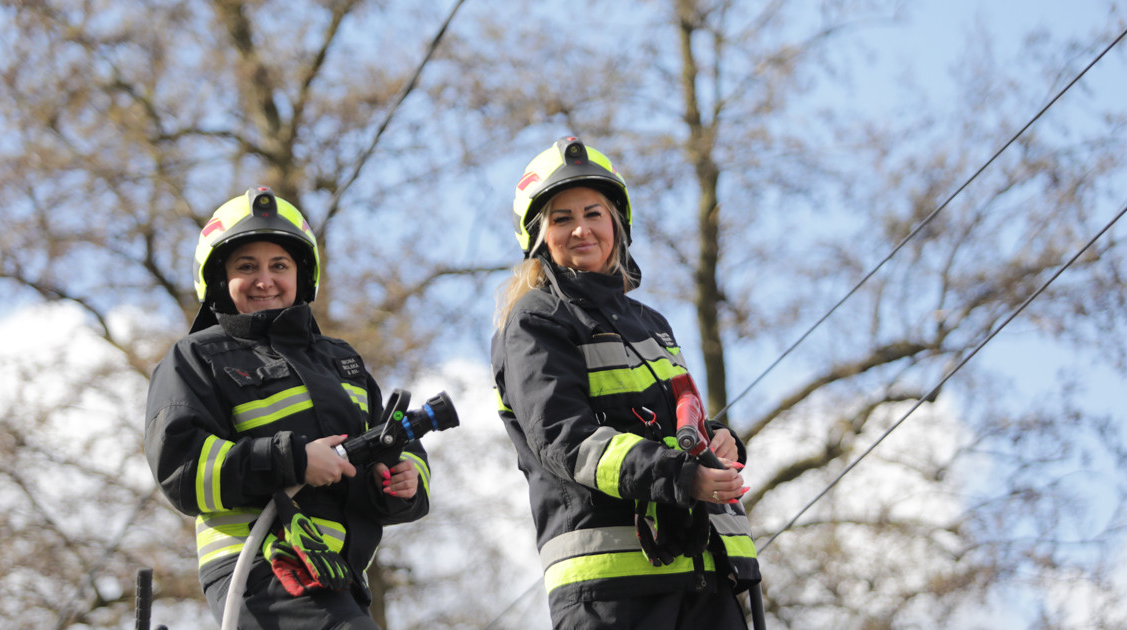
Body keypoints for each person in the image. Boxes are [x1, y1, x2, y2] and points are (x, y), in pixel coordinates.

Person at [490, 137, 761, 629]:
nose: (581, 229)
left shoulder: (649, 322)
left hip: (703, 579)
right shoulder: (536, 320)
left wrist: (715, 438)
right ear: (537, 237)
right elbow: (565, 439)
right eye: (561, 218)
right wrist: (681, 477)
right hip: (612, 595)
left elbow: (668, 416)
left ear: (617, 222)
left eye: (594, 212)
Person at [144, 187, 431, 629]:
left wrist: (403, 480)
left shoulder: (342, 362)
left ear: (302, 274)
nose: (265, 280)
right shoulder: (196, 358)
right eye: (246, 267)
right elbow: (182, 469)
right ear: (218, 279)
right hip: (263, 570)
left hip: (340, 575)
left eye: (279, 265)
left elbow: (389, 445)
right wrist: (294, 460)